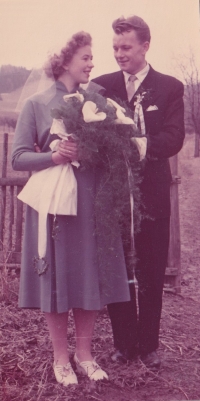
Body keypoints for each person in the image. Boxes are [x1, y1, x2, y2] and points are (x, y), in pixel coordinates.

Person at [12, 31, 131, 386]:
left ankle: (85, 355)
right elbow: (18, 158)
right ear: (65, 61)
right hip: (55, 207)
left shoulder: (98, 100)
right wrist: (55, 155)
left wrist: (97, 150)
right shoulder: (37, 103)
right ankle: (60, 358)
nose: (92, 63)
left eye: (93, 58)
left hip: (93, 203)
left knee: (89, 277)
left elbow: (111, 150)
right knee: (57, 281)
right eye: (86, 58)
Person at [92, 15, 185, 368]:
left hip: (154, 195)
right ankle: (123, 344)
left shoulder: (170, 87)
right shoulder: (100, 87)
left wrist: (136, 146)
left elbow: (174, 138)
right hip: (113, 195)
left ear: (146, 46)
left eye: (126, 47)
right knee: (117, 269)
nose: (119, 54)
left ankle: (149, 345)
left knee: (150, 268)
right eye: (115, 47)